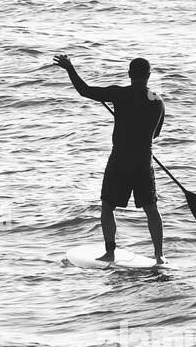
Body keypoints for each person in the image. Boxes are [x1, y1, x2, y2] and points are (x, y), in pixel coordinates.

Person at [52, 55, 166, 265]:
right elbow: (155, 134)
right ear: (148, 76)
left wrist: (69, 68)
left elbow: (84, 90)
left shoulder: (119, 94)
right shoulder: (158, 102)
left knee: (107, 207)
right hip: (143, 162)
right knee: (152, 209)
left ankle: (110, 253)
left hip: (120, 160)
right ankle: (159, 256)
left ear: (129, 74)